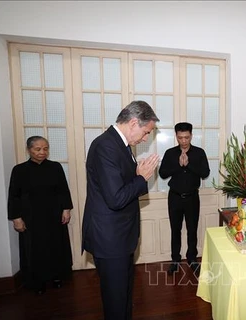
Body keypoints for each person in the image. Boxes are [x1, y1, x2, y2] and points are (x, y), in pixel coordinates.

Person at [82, 101, 160, 320]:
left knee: (124, 295)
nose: (146, 138)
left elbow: (120, 184)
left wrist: (135, 174)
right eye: (146, 132)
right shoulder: (106, 146)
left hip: (120, 236)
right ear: (134, 122)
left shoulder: (121, 145)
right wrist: (141, 177)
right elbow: (116, 198)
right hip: (110, 238)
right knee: (115, 300)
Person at [8, 136, 73, 295]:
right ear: (29, 149)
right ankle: (37, 282)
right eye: (38, 149)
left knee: (56, 246)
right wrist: (16, 218)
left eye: (45, 148)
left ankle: (57, 277)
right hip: (31, 217)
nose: (42, 152)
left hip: (54, 215)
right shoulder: (19, 170)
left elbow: (63, 190)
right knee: (35, 250)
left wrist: (66, 209)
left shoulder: (55, 167)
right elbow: (14, 196)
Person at [159, 122, 210, 276]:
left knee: (192, 229)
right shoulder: (170, 153)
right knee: (175, 230)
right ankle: (175, 260)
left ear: (191, 136)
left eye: (186, 137)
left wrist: (188, 165)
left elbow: (205, 173)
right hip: (174, 197)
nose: (184, 141)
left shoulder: (199, 153)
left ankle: (192, 259)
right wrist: (178, 165)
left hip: (192, 198)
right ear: (176, 136)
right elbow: (162, 173)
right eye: (180, 138)